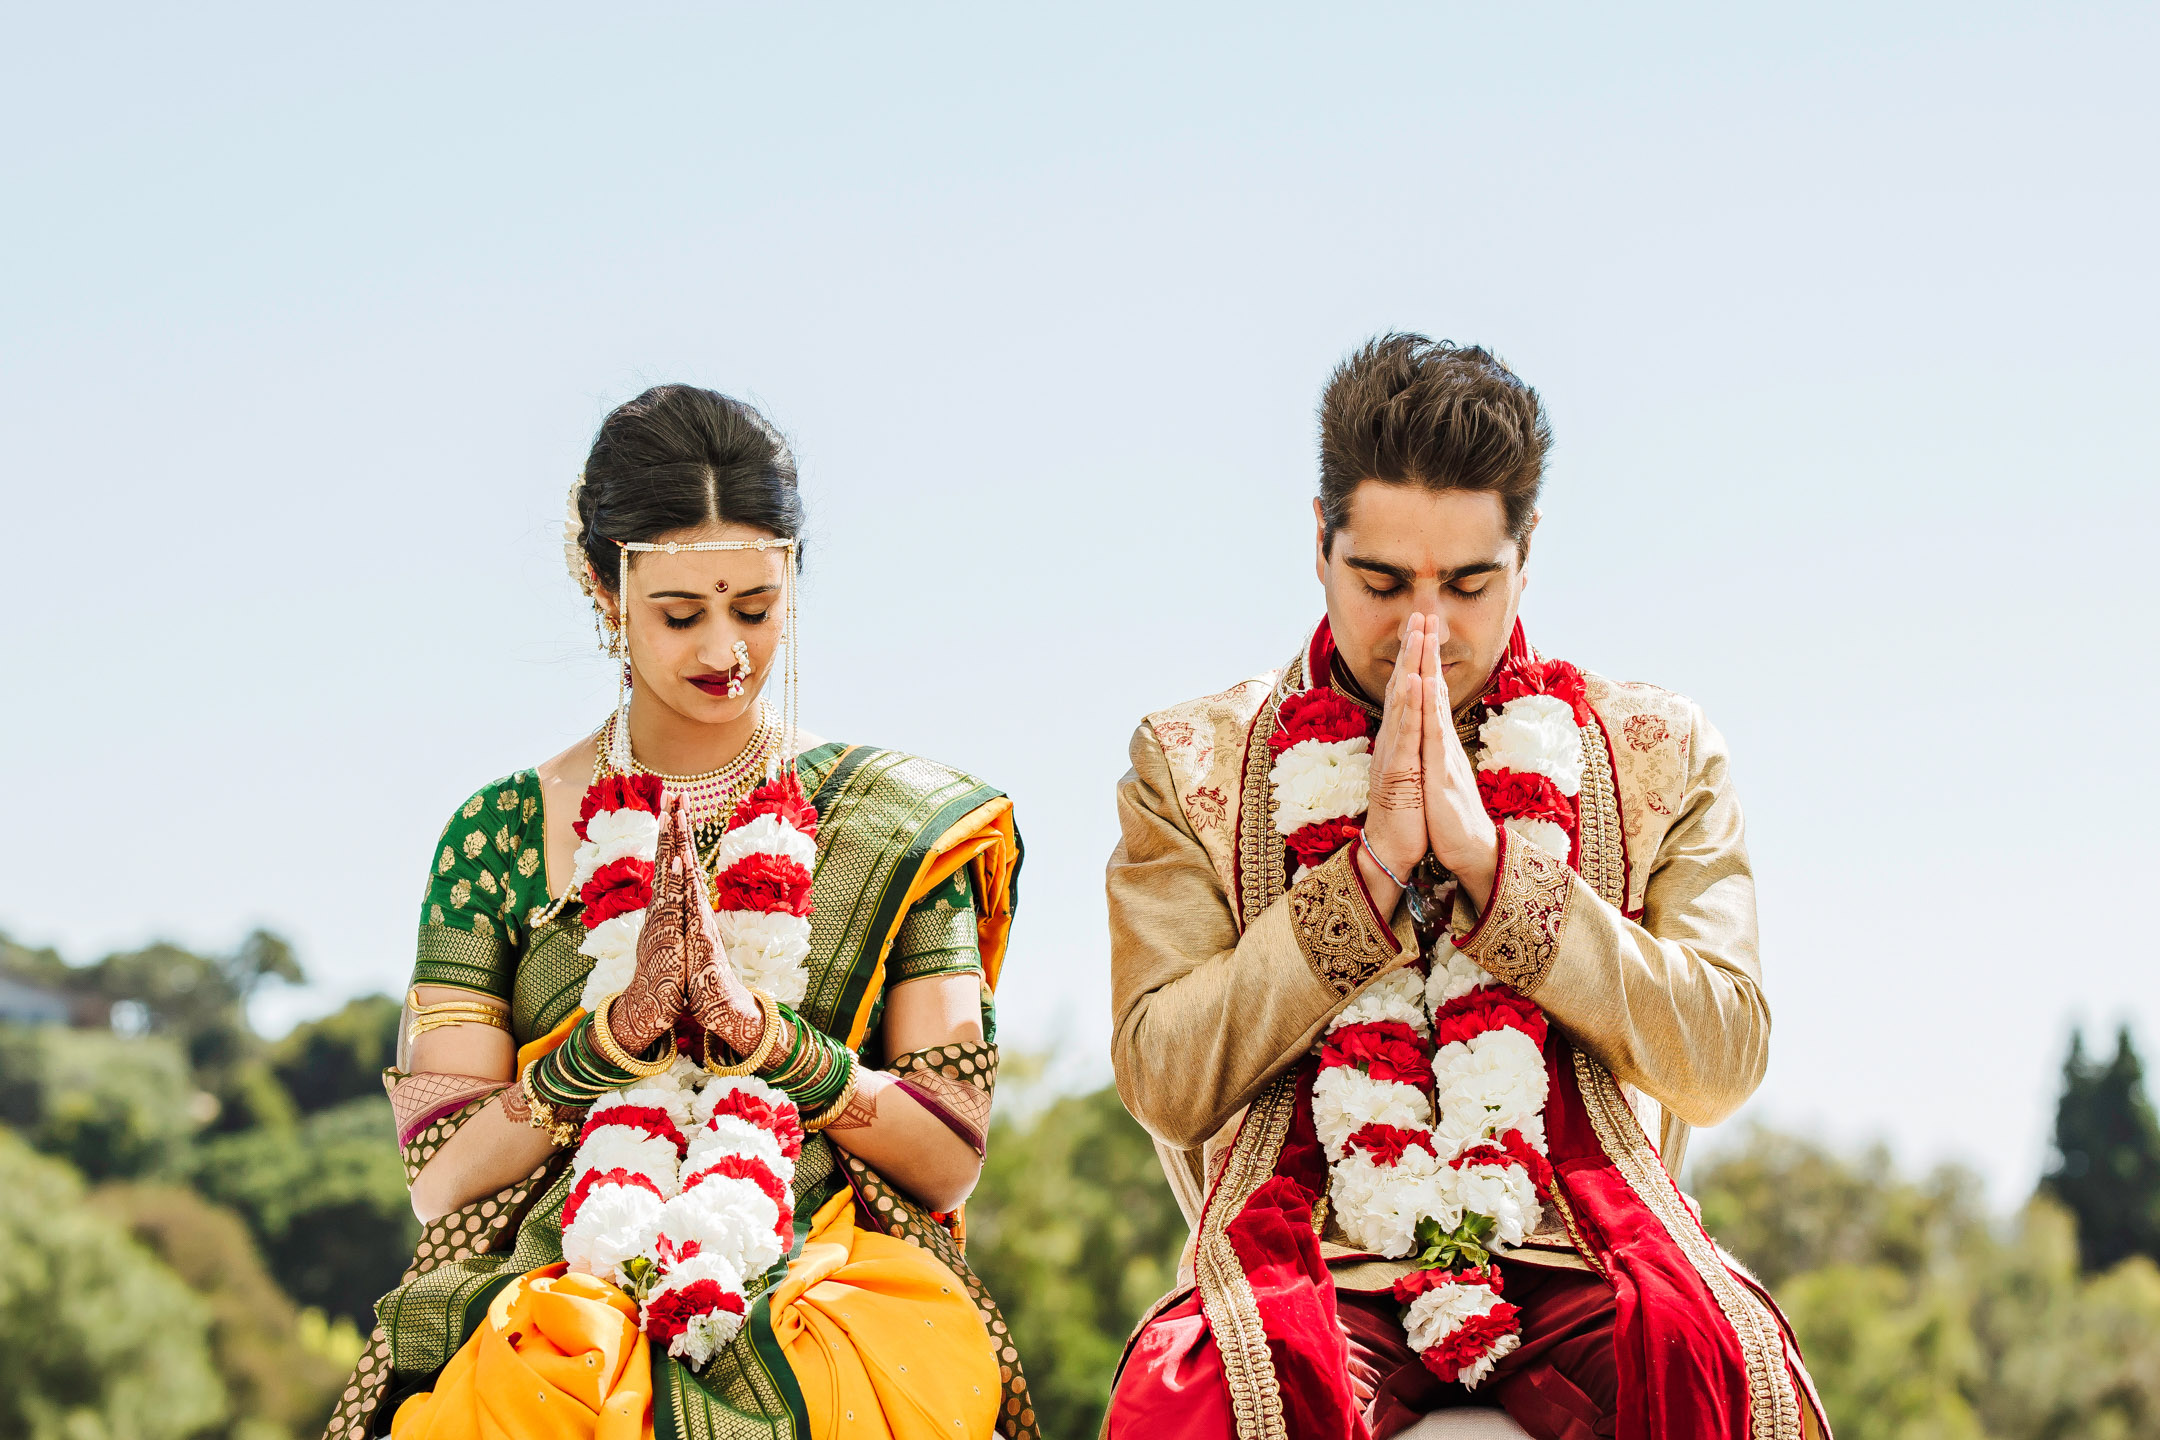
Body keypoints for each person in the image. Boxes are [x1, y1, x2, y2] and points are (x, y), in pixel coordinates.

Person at [1103, 336, 1830, 1440]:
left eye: (1469, 583)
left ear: (1527, 555)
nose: (1422, 631)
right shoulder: (1194, 761)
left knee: (1725, 1367)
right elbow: (1164, 1077)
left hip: (1584, 1263)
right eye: (1383, 582)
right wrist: (1367, 877)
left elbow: (1721, 1059)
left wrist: (1502, 876)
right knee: (1192, 1397)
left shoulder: (1654, 752)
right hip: (1314, 1270)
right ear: (1318, 541)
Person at [322, 385, 1038, 1440]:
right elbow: (443, 1171)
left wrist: (770, 1044)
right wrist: (606, 1047)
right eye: (680, 613)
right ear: (605, 592)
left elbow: (948, 1150)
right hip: (560, 1291)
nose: (726, 652)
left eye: (755, 608)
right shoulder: (503, 833)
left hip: (833, 1276)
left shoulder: (894, 822)